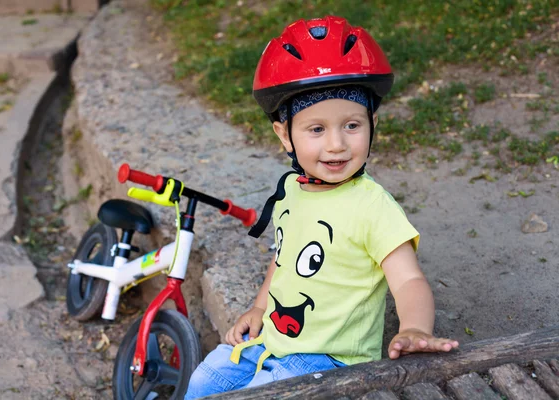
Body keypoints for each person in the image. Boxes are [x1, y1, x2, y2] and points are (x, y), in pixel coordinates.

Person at [184, 15, 458, 399]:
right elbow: (283, 258)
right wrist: (259, 308)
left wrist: (415, 328)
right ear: (285, 134)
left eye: (351, 125)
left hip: (329, 359)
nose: (336, 145)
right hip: (272, 343)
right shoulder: (292, 191)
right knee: (201, 383)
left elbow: (409, 279)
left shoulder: (371, 206)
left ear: (372, 123)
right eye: (316, 129)